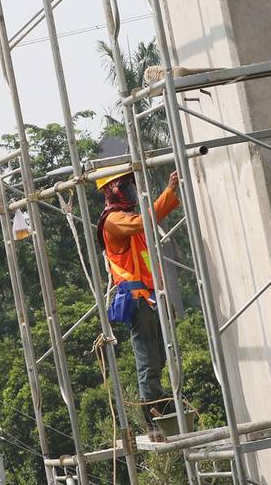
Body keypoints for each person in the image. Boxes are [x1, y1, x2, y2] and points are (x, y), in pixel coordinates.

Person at [96, 170, 180, 440]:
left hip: (152, 298)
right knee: (148, 361)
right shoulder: (114, 221)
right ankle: (152, 416)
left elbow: (147, 264)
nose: (131, 189)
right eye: (125, 185)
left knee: (161, 356)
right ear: (111, 190)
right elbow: (146, 220)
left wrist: (163, 296)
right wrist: (169, 192)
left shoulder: (129, 220)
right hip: (137, 301)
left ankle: (158, 403)